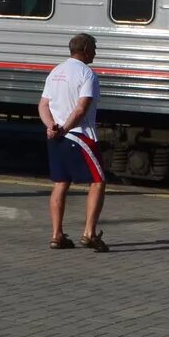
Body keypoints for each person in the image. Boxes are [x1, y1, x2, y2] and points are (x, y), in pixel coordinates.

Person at [40, 32, 107, 251]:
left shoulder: (56, 72)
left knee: (61, 183)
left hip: (56, 137)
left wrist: (52, 126)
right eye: (94, 49)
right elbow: (81, 108)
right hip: (80, 136)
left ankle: (57, 234)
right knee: (98, 181)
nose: (95, 53)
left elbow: (43, 105)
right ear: (86, 49)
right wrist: (65, 128)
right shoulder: (87, 74)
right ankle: (89, 233)